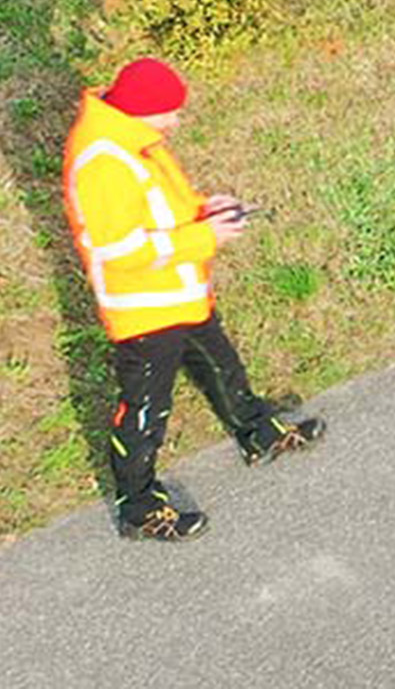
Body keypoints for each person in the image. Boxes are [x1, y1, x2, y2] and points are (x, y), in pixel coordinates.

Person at [62, 57, 324, 541]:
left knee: (224, 367)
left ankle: (257, 431)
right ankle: (138, 507)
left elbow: (162, 211)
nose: (175, 122)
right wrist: (203, 239)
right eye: (169, 112)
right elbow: (119, 251)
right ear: (142, 110)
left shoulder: (134, 143)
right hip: (144, 309)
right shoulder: (103, 161)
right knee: (145, 411)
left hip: (179, 295)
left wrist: (207, 210)